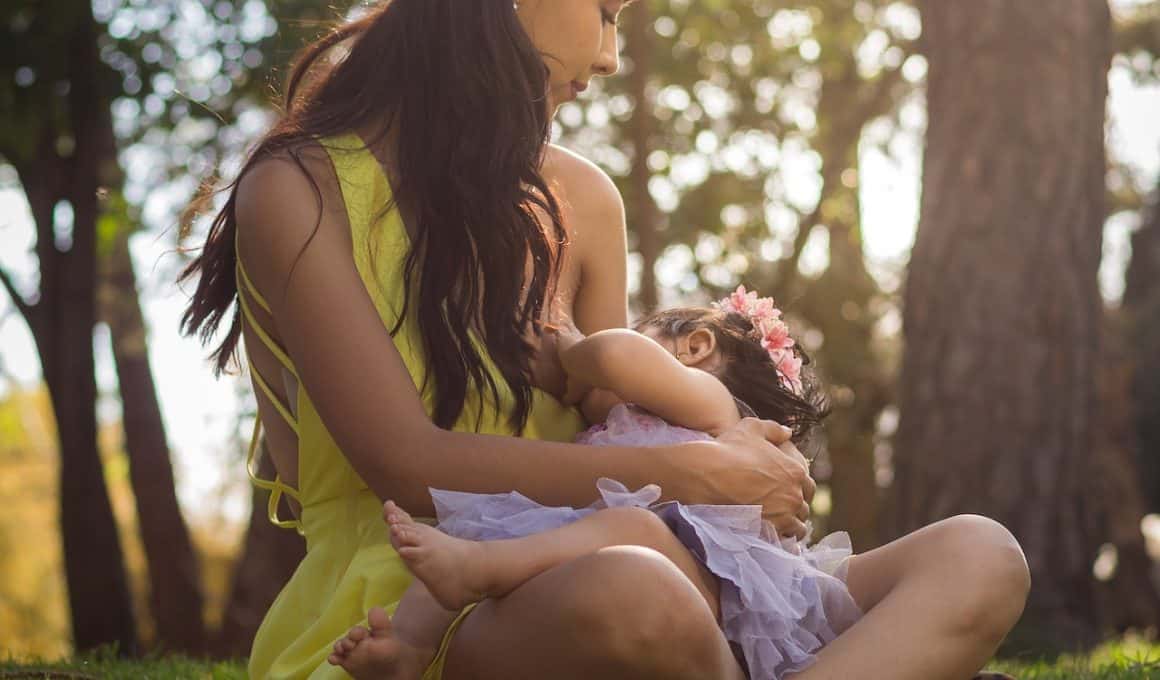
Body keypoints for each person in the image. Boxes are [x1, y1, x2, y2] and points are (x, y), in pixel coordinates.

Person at [181, 1, 1030, 678]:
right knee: (635, 596)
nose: (610, 58)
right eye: (609, 11)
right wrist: (699, 470)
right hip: (423, 597)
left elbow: (610, 411)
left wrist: (722, 432)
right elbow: (406, 463)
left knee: (980, 553)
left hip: (646, 549)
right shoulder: (300, 190)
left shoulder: (581, 198)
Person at [329, 287, 865, 680]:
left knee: (624, 525)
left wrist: (571, 350)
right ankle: (409, 647)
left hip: (666, 549)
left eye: (646, 331)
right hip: (609, 543)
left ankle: (474, 574)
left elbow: (615, 357)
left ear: (695, 347)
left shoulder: (712, 403)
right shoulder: (646, 419)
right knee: (484, 527)